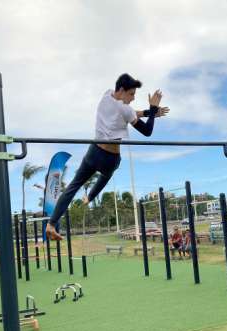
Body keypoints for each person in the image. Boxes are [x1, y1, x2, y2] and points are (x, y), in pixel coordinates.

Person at [46, 73, 169, 240]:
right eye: (131, 94)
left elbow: (133, 112)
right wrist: (153, 109)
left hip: (93, 151)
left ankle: (51, 224)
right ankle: (89, 197)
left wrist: (149, 113)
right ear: (122, 90)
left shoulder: (107, 94)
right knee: (107, 174)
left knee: (72, 187)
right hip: (109, 158)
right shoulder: (125, 109)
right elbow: (147, 131)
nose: (133, 99)